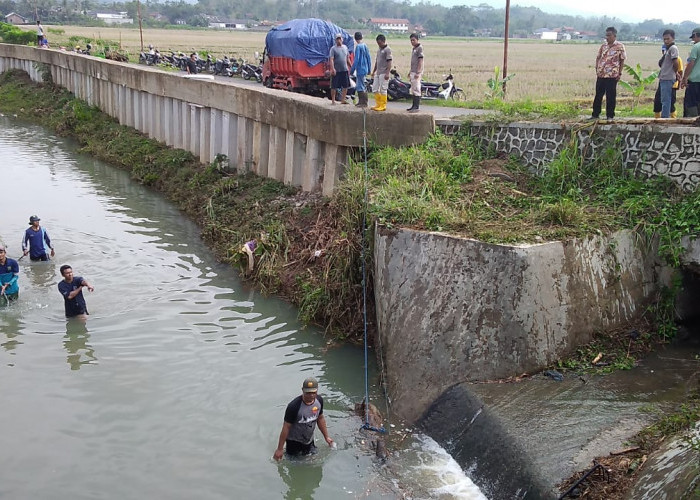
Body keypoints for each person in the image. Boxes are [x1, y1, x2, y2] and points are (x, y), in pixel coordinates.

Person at [273, 377, 334, 460]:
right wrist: (279, 449)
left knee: (314, 460)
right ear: (303, 390)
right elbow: (286, 427)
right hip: (294, 442)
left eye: (314, 392)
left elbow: (320, 418)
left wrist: (326, 437)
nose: (311, 395)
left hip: (309, 440)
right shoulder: (294, 406)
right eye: (308, 393)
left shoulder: (319, 401)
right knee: (294, 465)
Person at [590, 27, 626, 121]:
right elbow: (598, 57)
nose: (607, 37)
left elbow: (622, 60)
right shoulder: (603, 46)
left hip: (612, 75)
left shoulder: (620, 46)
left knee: (611, 96)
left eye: (609, 35)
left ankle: (610, 116)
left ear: (614, 35)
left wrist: (619, 73)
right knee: (598, 95)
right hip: (601, 74)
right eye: (606, 35)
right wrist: (597, 68)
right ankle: (595, 114)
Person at [654, 41, 684, 118]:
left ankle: (670, 118)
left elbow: (679, 71)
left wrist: (679, 83)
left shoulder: (676, 58)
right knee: (659, 100)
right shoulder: (665, 58)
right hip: (663, 80)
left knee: (669, 102)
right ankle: (659, 117)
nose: (663, 52)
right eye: (662, 50)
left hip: (671, 82)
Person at [680, 27, 700, 118]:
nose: (692, 39)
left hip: (695, 82)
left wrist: (685, 78)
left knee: (691, 104)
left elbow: (691, 64)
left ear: (696, 35)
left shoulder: (696, 47)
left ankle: (692, 122)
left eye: (693, 37)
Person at [370, 34, 393, 112]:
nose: (379, 45)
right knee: (374, 88)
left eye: (380, 43)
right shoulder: (379, 50)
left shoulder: (387, 50)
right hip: (378, 72)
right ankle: (378, 103)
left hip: (384, 72)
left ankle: (383, 105)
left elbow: (389, 62)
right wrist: (373, 71)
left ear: (383, 41)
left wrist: (387, 73)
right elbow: (377, 61)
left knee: (383, 89)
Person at [350, 32, 372, 108]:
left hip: (360, 69)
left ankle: (363, 102)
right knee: (363, 85)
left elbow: (356, 60)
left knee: (360, 86)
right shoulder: (365, 46)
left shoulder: (358, 47)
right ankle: (363, 102)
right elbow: (369, 58)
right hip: (365, 69)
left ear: (355, 39)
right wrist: (369, 69)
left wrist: (352, 70)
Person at [328, 34, 351, 105]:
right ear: (335, 40)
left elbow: (347, 58)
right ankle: (333, 101)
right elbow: (331, 59)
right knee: (334, 86)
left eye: (340, 39)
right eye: (337, 39)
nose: (339, 40)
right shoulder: (333, 49)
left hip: (344, 70)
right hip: (336, 70)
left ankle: (343, 100)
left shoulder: (345, 48)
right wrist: (332, 69)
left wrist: (351, 66)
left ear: (342, 39)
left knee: (345, 85)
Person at [407, 33, 424, 113]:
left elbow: (420, 61)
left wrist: (418, 72)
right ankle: (413, 105)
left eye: (413, 40)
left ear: (417, 40)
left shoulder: (419, 48)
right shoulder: (414, 48)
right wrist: (410, 71)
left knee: (417, 88)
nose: (412, 42)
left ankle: (416, 106)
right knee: (413, 89)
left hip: (416, 72)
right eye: (411, 40)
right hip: (413, 71)